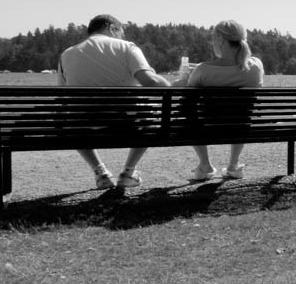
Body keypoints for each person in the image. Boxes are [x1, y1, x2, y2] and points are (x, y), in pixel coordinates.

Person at [58, 14, 171, 189]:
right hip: (127, 125)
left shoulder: (67, 54)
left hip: (84, 127)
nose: (122, 37)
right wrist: (172, 85)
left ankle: (101, 172)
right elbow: (151, 81)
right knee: (153, 115)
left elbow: (62, 98)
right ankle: (128, 172)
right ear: (112, 28)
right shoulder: (127, 47)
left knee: (72, 118)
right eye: (121, 32)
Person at [178, 19, 264, 180]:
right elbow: (234, 69)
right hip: (241, 128)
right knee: (241, 115)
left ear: (221, 40)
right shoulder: (256, 66)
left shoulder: (202, 70)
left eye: (213, 39)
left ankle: (205, 165)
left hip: (208, 128)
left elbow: (186, 102)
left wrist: (184, 79)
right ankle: (233, 165)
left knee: (188, 113)